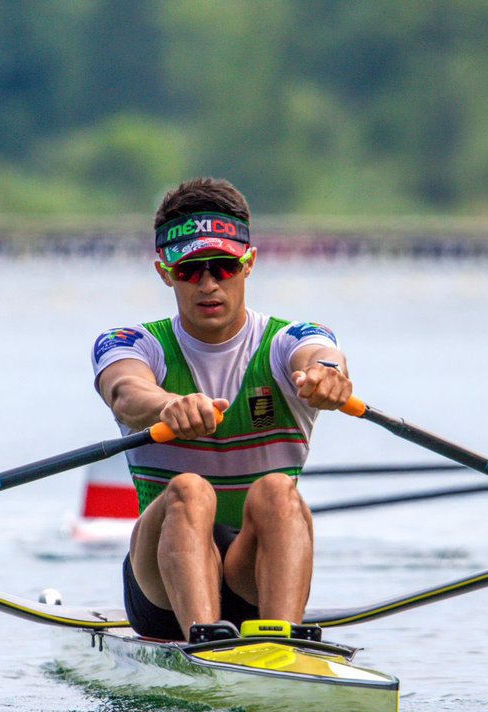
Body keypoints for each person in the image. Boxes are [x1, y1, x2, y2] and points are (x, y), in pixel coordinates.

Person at [92, 177, 352, 642]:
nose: (208, 284)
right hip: (161, 592)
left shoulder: (289, 339)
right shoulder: (133, 343)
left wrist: (327, 376)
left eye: (223, 267)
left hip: (255, 574)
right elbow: (125, 393)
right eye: (191, 270)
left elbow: (320, 354)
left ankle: (282, 643)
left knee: (277, 491)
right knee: (189, 489)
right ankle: (204, 640)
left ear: (248, 264)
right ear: (164, 272)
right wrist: (169, 404)